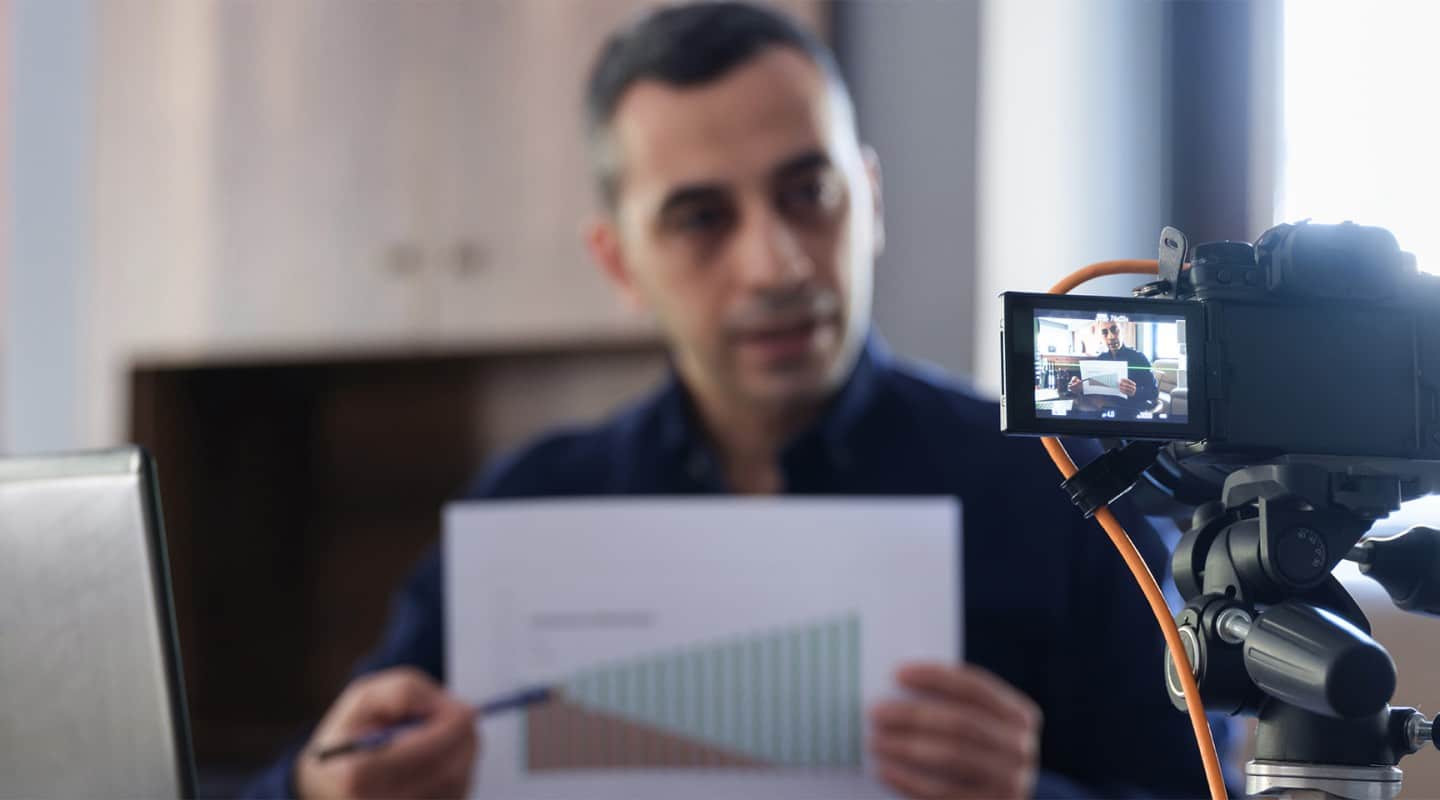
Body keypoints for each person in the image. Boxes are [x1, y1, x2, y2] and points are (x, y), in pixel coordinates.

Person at [243, 3, 1232, 798]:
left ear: (870, 200)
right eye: (702, 218)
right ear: (619, 261)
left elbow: (1222, 783)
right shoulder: (530, 507)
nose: (777, 262)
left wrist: (1029, 792)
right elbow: (333, 761)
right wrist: (321, 785)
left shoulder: (1065, 486)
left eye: (809, 192)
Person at [1065, 315, 1159, 417]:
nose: (1111, 337)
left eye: (1114, 330)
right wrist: (1079, 388)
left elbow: (1153, 392)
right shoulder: (1101, 359)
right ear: (1101, 336)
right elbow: (1092, 388)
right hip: (1104, 411)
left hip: (1130, 413)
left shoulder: (1139, 358)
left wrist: (1135, 391)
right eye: (1105, 333)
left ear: (1121, 331)